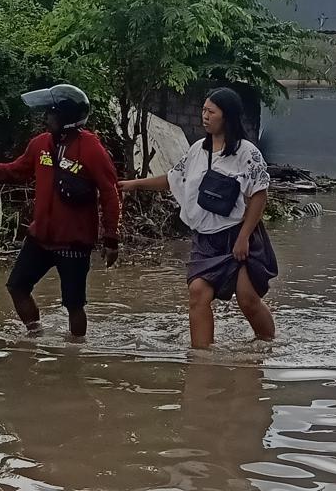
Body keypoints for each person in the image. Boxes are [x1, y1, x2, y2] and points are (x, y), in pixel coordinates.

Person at [0, 84, 121, 338]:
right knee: (17, 286)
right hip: (40, 237)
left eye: (50, 113)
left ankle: (76, 351)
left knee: (74, 305)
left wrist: (111, 237)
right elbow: (12, 170)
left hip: (73, 242)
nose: (45, 118)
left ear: (65, 118)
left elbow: (110, 191)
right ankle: (35, 334)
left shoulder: (91, 149)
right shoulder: (40, 145)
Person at [119, 88, 278, 349]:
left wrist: (244, 237)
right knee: (198, 293)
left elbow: (259, 195)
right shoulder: (196, 151)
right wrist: (135, 184)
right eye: (203, 110)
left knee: (247, 298)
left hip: (238, 235)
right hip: (206, 240)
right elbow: (173, 178)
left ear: (227, 117)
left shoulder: (247, 153)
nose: (204, 116)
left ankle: (267, 346)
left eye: (210, 111)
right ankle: (201, 358)